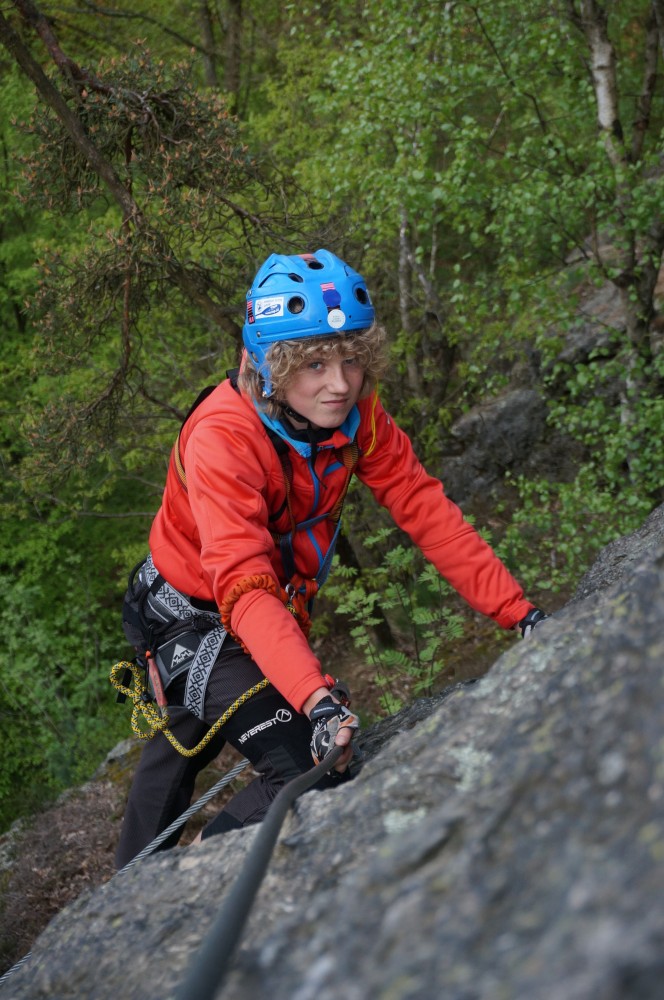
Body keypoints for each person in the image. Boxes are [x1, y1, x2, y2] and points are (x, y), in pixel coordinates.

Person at [115, 248, 548, 868]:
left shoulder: (355, 416)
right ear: (269, 365)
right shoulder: (223, 437)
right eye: (314, 363)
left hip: (255, 608)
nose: (340, 384)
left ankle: (140, 887)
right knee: (305, 766)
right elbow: (244, 584)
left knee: (178, 755)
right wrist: (316, 700)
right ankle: (167, 891)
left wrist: (519, 614)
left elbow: (425, 509)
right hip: (192, 618)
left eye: (351, 359)